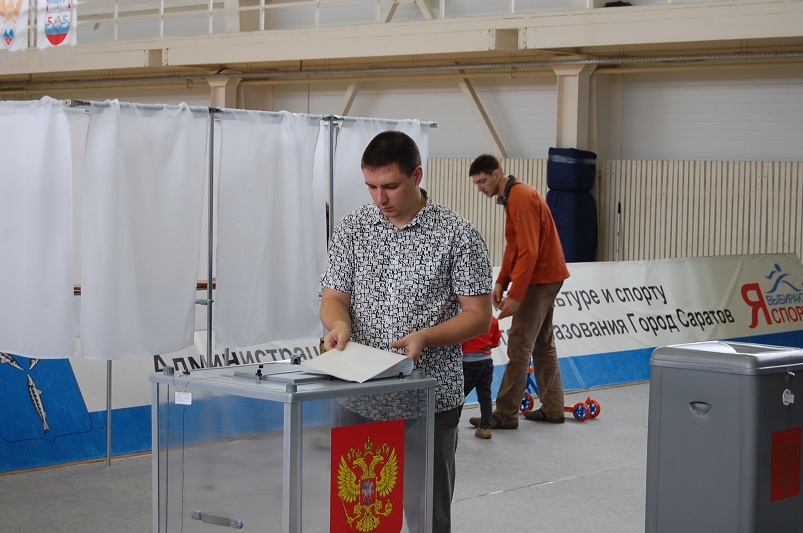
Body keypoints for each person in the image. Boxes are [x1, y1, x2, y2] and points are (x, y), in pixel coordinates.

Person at [320, 130, 493, 533]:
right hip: (361, 395)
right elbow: (333, 298)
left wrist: (425, 337)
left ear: (417, 175)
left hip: (429, 398)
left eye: (390, 186)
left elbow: (478, 316)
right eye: (371, 187)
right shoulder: (353, 227)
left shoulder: (458, 234)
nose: (380, 198)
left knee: (426, 515)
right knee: (360, 516)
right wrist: (339, 324)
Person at [467, 154, 570, 429]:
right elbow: (514, 246)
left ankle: (505, 414)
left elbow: (529, 251)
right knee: (543, 344)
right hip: (548, 276)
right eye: (476, 184)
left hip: (541, 280)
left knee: (520, 344)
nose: (480, 188)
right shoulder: (512, 197)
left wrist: (517, 294)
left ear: (496, 174)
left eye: (482, 181)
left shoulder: (520, 197)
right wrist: (502, 281)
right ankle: (553, 408)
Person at [461, 315, 501, 439]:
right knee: (485, 396)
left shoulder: (465, 320)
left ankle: (451, 425)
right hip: (487, 361)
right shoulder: (493, 320)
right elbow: (496, 342)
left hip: (469, 363)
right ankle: (485, 427)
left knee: (459, 395)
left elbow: (459, 342)